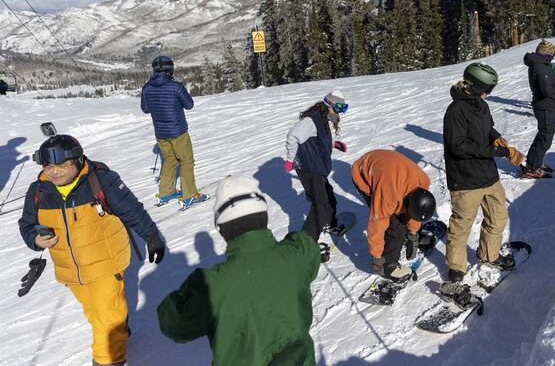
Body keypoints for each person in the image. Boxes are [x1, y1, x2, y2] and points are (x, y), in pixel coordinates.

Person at [18, 135, 165, 366]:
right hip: (71, 271)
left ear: (76, 162)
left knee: (106, 323)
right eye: (49, 167)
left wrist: (152, 237)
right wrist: (35, 239)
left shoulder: (100, 181)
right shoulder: (39, 191)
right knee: (96, 314)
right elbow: (26, 224)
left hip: (106, 264)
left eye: (62, 165)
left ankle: (108, 358)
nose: (55, 172)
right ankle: (119, 327)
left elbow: (132, 210)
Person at [157, 174, 320, 366]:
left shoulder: (212, 285)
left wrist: (186, 293)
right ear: (264, 215)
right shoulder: (297, 255)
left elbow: (175, 325)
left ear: (222, 229)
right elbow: (307, 247)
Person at [442, 62, 524, 283]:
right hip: (465, 179)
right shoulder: (455, 111)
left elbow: (487, 129)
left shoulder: (481, 104)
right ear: (474, 86)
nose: (489, 94)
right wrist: (497, 150)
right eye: (487, 89)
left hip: (488, 174)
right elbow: (457, 146)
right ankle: (456, 268)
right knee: (462, 225)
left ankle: (489, 255)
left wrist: (496, 137)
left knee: (498, 217)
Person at [351, 149, 436, 284]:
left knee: (404, 216)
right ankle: (388, 266)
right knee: (395, 226)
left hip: (387, 167)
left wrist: (413, 233)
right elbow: (376, 222)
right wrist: (376, 256)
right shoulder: (388, 197)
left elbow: (414, 211)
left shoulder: (423, 181)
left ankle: (409, 234)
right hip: (363, 173)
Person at [141, 55, 206, 209]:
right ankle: (190, 195)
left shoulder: (147, 87)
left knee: (170, 160)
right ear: (170, 69)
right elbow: (189, 104)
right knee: (186, 161)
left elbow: (145, 109)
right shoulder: (175, 86)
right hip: (178, 131)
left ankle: (166, 192)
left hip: (160, 133)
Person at [285, 90, 348, 245]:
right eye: (339, 108)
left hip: (316, 165)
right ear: (330, 104)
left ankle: (330, 225)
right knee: (320, 205)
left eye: (343, 108)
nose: (339, 112)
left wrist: (332, 144)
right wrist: (289, 159)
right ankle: (307, 244)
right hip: (308, 167)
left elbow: (316, 139)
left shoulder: (323, 117)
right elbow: (292, 136)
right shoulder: (311, 120)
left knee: (329, 196)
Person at [521, 40, 555, 178]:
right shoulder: (539, 66)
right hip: (544, 105)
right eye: (552, 53)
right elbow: (547, 91)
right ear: (547, 54)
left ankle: (534, 162)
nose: (553, 56)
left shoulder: (539, 65)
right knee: (545, 136)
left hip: (545, 105)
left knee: (544, 135)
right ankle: (532, 167)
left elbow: (546, 85)